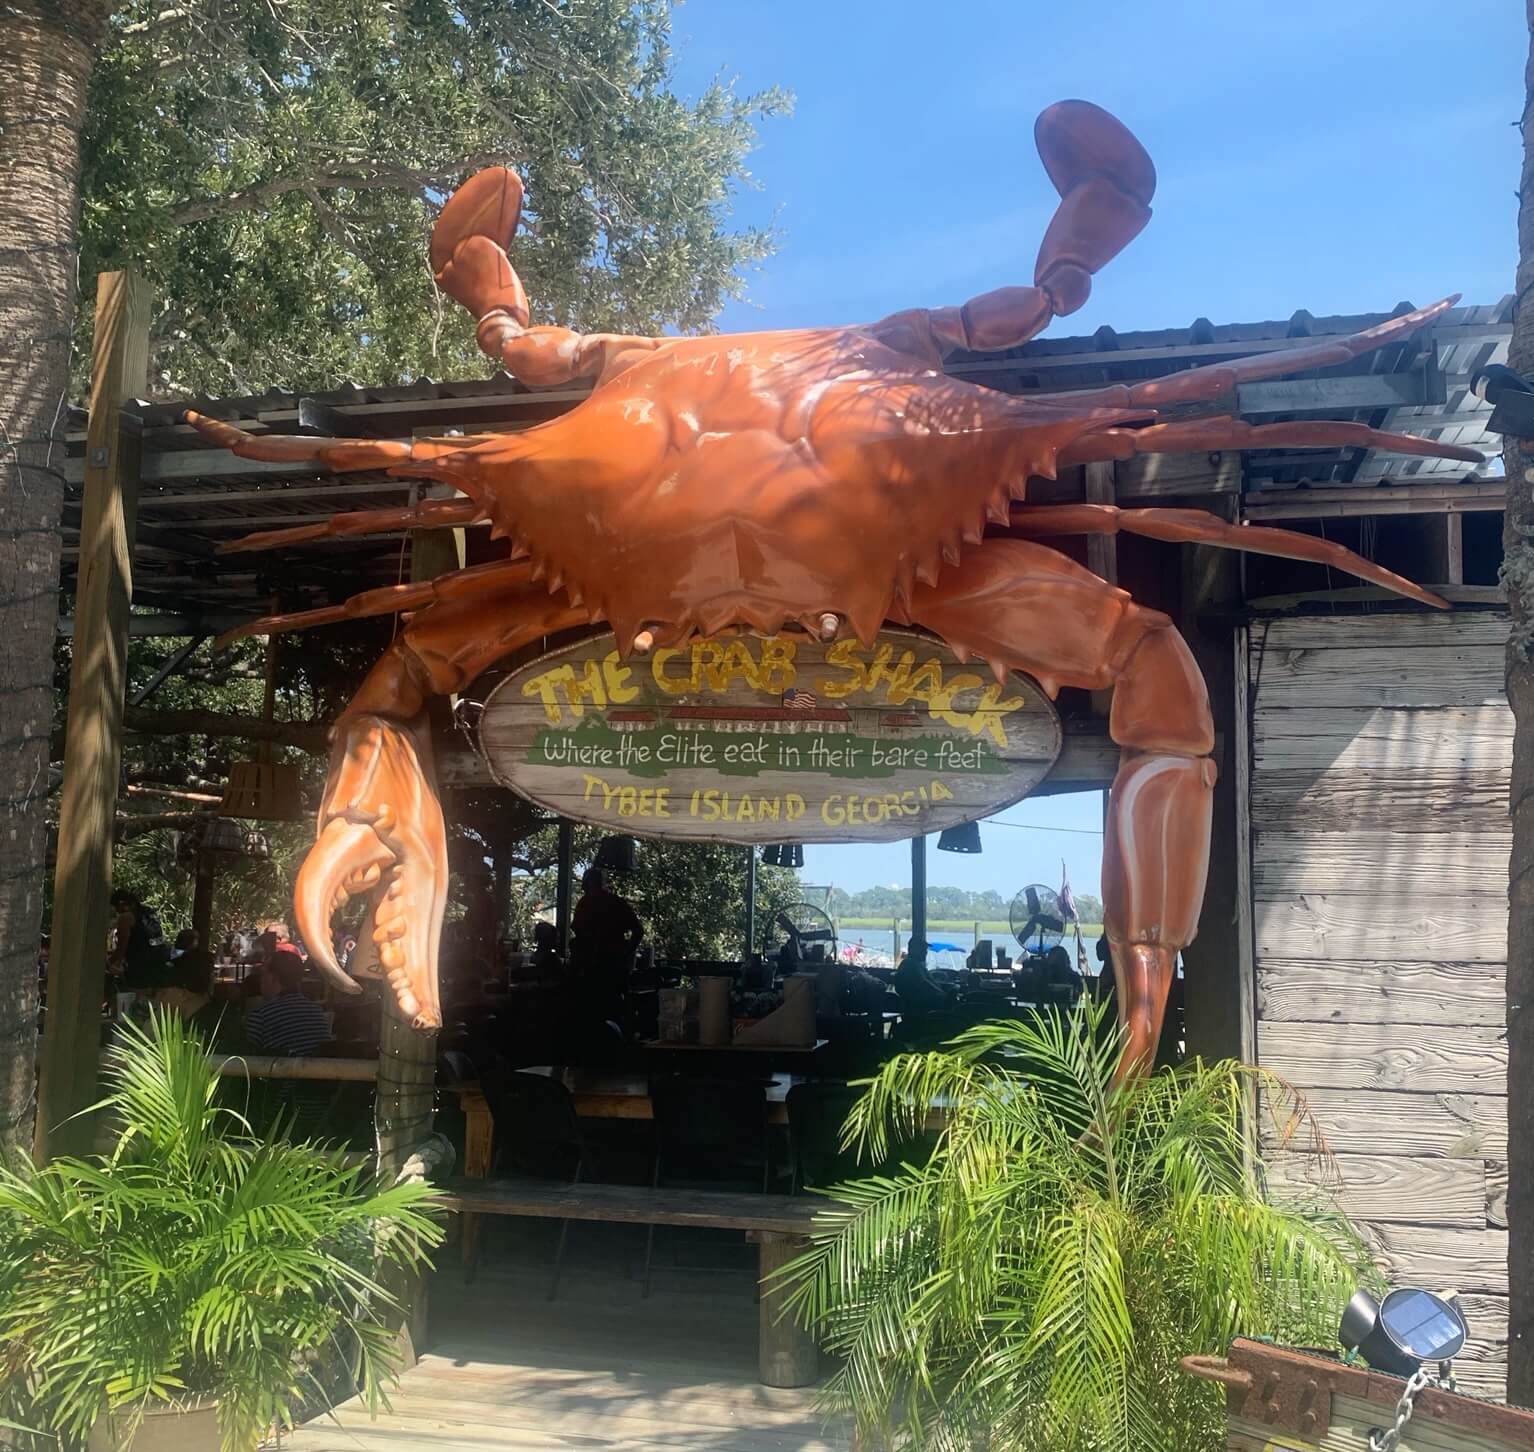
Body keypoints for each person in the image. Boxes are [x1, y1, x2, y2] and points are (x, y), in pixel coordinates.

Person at [570, 868, 643, 1018]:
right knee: (614, 1009)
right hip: (609, 966)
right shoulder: (615, 903)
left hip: (597, 968)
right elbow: (638, 931)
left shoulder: (585, 904)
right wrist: (627, 953)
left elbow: (577, 931)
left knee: (594, 1011)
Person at [243, 951, 330, 1056]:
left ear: (273, 978)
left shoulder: (261, 1018)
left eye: (263, 974)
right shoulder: (316, 1012)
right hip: (318, 1070)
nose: (261, 980)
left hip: (279, 1071)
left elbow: (246, 1063)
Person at [108, 890, 171, 990]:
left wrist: (110, 962)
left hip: (140, 964)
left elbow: (121, 947)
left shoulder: (126, 918)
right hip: (159, 960)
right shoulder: (149, 912)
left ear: (121, 904)